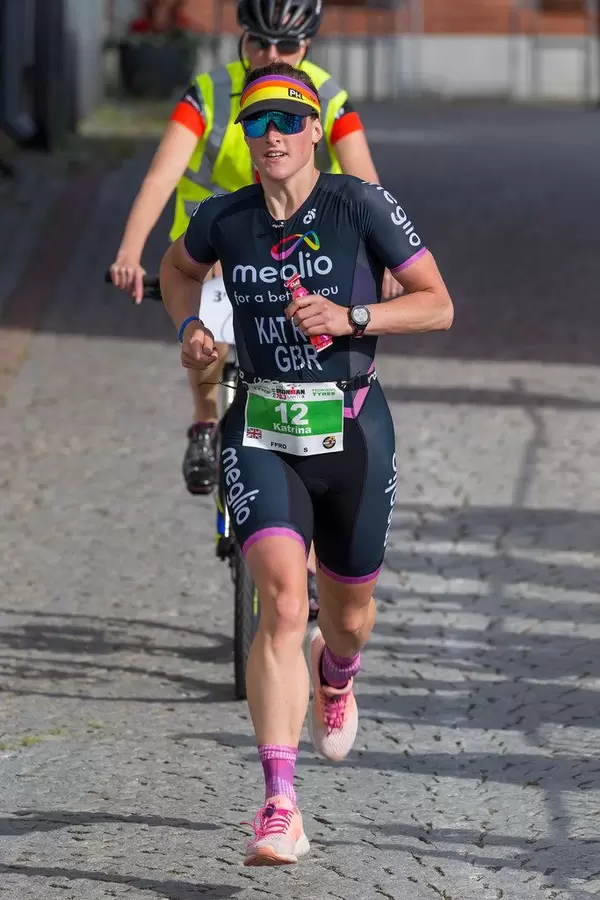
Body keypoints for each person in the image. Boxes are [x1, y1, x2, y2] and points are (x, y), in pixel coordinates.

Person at [159, 60, 454, 866]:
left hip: (352, 428)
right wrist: (190, 329)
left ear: (316, 129)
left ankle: (339, 671)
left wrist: (353, 315)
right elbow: (176, 269)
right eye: (256, 123)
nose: (273, 136)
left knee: (346, 614)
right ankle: (279, 803)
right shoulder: (225, 218)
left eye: (288, 120)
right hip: (260, 425)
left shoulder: (360, 205)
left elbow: (438, 304)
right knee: (284, 604)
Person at [110, 0, 396, 500]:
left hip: (297, 246)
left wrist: (387, 256)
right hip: (215, 249)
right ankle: (205, 422)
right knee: (209, 333)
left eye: (286, 45)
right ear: (241, 38)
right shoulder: (207, 93)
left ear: (307, 45)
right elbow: (161, 178)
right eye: (258, 42)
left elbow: (365, 183)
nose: (270, 55)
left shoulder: (328, 97)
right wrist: (129, 252)